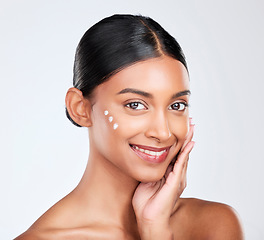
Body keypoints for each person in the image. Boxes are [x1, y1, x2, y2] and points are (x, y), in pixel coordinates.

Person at [15, 14, 244, 240]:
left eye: (176, 105)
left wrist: (156, 230)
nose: (163, 132)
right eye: (136, 105)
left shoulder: (213, 226)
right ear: (80, 108)